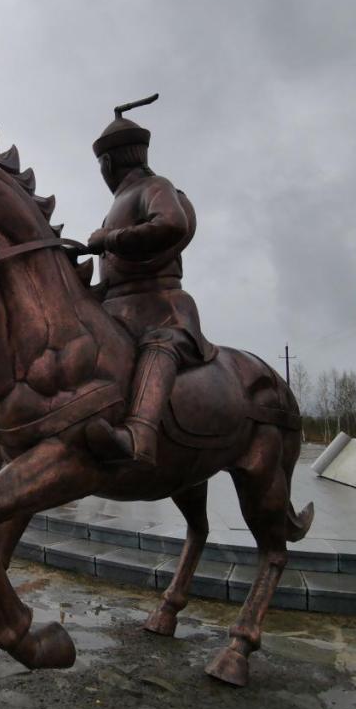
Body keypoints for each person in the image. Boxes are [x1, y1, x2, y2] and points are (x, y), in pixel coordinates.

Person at [84, 95, 216, 468]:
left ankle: (140, 435)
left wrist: (109, 238)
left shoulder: (154, 187)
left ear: (108, 163)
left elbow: (172, 223)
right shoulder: (117, 204)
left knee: (159, 346)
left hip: (161, 311)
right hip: (116, 311)